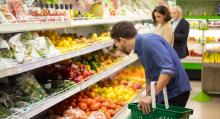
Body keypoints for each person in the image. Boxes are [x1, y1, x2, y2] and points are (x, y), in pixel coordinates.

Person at [110, 21, 191, 113]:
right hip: (164, 91)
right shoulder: (139, 47)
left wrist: (150, 97)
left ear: (123, 40)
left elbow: (168, 70)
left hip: (175, 91)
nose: (117, 46)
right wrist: (148, 96)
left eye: (116, 42)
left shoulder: (149, 42)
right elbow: (150, 76)